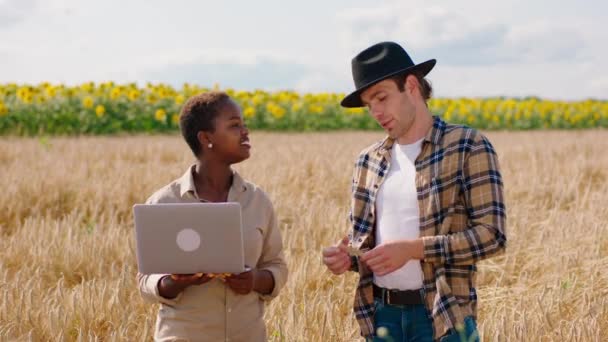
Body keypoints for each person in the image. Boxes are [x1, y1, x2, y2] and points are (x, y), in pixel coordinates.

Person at [322, 41, 506, 341]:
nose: (376, 112)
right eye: (369, 105)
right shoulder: (368, 161)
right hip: (380, 317)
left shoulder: (467, 146)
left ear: (411, 86)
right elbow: (367, 247)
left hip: (442, 317)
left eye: (381, 98)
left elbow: (492, 236)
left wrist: (413, 250)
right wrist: (348, 258)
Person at [137, 91, 288, 341]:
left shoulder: (257, 200)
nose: (245, 132)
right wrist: (175, 282)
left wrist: (255, 280)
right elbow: (145, 281)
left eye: (244, 124)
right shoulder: (163, 203)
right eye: (234, 125)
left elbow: (277, 266)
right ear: (206, 138)